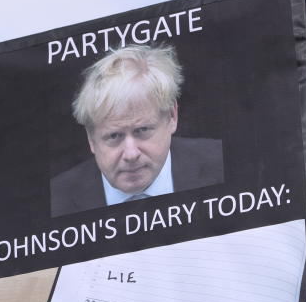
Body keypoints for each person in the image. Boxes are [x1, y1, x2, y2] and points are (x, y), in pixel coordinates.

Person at [50, 43, 223, 217]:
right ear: (91, 139)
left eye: (142, 130)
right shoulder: (56, 202)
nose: (131, 155)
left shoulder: (222, 163)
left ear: (172, 116)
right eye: (114, 136)